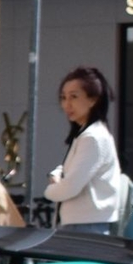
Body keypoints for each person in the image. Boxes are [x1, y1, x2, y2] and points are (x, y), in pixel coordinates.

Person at [44, 66, 126, 233]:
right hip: (84, 223)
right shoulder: (87, 134)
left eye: (74, 97)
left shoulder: (92, 137)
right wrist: (59, 174)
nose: (67, 104)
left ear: (93, 99)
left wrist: (50, 191)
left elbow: (71, 187)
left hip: (86, 226)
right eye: (63, 97)